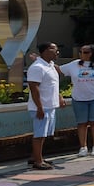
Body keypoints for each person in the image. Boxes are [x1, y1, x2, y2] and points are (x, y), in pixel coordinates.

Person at [60, 44, 94, 157]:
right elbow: (58, 69)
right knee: (82, 123)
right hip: (79, 98)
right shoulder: (74, 64)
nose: (82, 54)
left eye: (85, 52)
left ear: (93, 53)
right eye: (81, 52)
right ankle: (83, 147)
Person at [25, 41, 62, 170]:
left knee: (44, 134)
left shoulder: (50, 65)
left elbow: (52, 84)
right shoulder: (37, 67)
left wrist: (59, 97)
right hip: (41, 107)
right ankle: (38, 162)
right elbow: (34, 88)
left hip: (50, 106)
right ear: (45, 51)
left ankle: (35, 156)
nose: (57, 52)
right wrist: (39, 108)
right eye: (54, 49)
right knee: (39, 134)